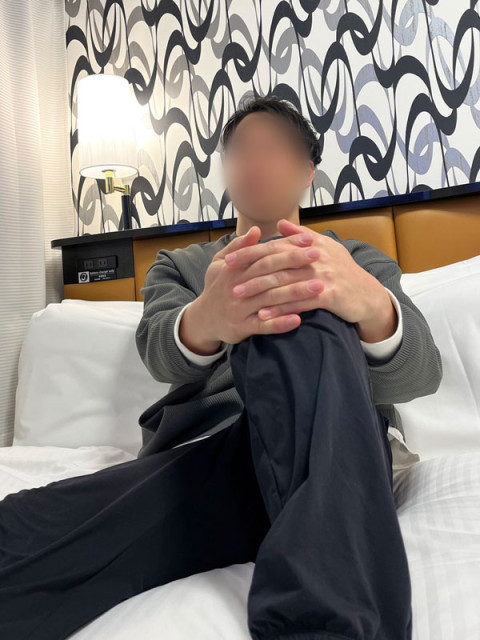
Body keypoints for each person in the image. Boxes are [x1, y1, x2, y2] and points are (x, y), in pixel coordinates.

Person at [0, 95, 442, 640]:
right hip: (215, 455)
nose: (255, 162)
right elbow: (157, 350)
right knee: (29, 527)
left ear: (307, 172)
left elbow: (423, 374)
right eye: (241, 151)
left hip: (335, 448)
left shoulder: (354, 261)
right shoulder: (180, 266)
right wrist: (208, 319)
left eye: (273, 149)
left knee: (300, 307)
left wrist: (368, 304)